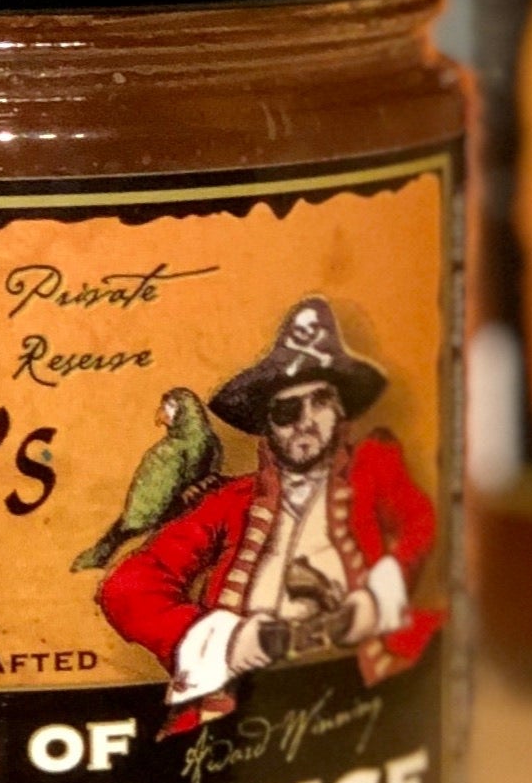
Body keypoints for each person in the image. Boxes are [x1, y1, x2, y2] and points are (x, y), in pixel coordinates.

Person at [99, 297, 441, 729]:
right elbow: (127, 588)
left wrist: (378, 597)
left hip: (361, 695)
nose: (307, 421)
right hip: (243, 716)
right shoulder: (233, 502)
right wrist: (230, 641)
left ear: (341, 411)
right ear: (266, 425)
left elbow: (419, 525)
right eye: (286, 410)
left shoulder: (375, 472)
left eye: (320, 401)